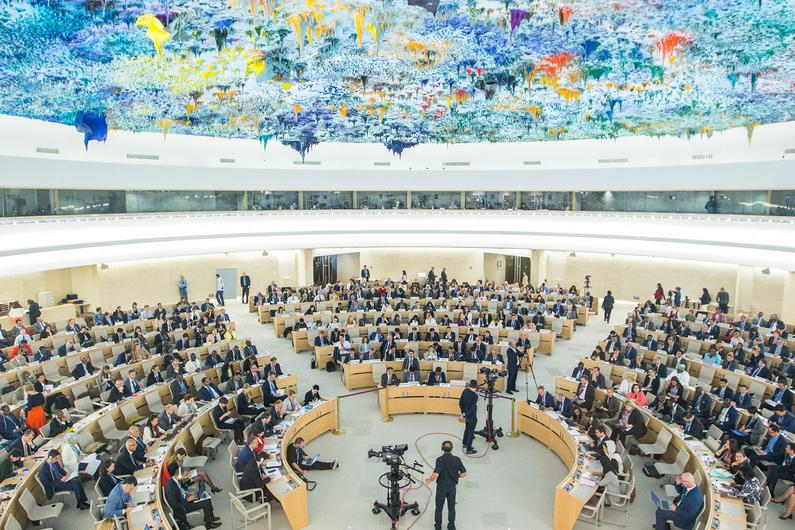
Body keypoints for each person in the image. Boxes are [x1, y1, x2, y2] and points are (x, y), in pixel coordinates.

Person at [424, 440, 468, 530]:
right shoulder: (457, 459)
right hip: (452, 487)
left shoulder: (440, 460)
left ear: (442, 448)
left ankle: (438, 526)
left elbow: (435, 475)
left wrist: (428, 480)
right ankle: (451, 526)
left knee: (439, 507)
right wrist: (456, 476)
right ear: (452, 449)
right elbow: (464, 473)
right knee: (451, 507)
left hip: (441, 488)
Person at [164, 462, 221, 529]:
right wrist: (188, 499)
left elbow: (181, 489)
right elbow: (175, 506)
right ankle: (209, 524)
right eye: (186, 475)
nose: (188, 477)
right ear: (180, 476)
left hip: (185, 498)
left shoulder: (176, 479)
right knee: (206, 502)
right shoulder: (170, 487)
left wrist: (188, 493)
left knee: (206, 498)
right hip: (183, 507)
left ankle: (210, 517)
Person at [459, 380, 478, 455]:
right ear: (475, 387)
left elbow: (460, 402)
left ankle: (465, 443)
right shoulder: (475, 396)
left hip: (465, 415)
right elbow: (472, 408)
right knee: (471, 433)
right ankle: (469, 449)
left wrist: (463, 413)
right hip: (472, 417)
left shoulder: (465, 391)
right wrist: (466, 414)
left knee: (467, 429)